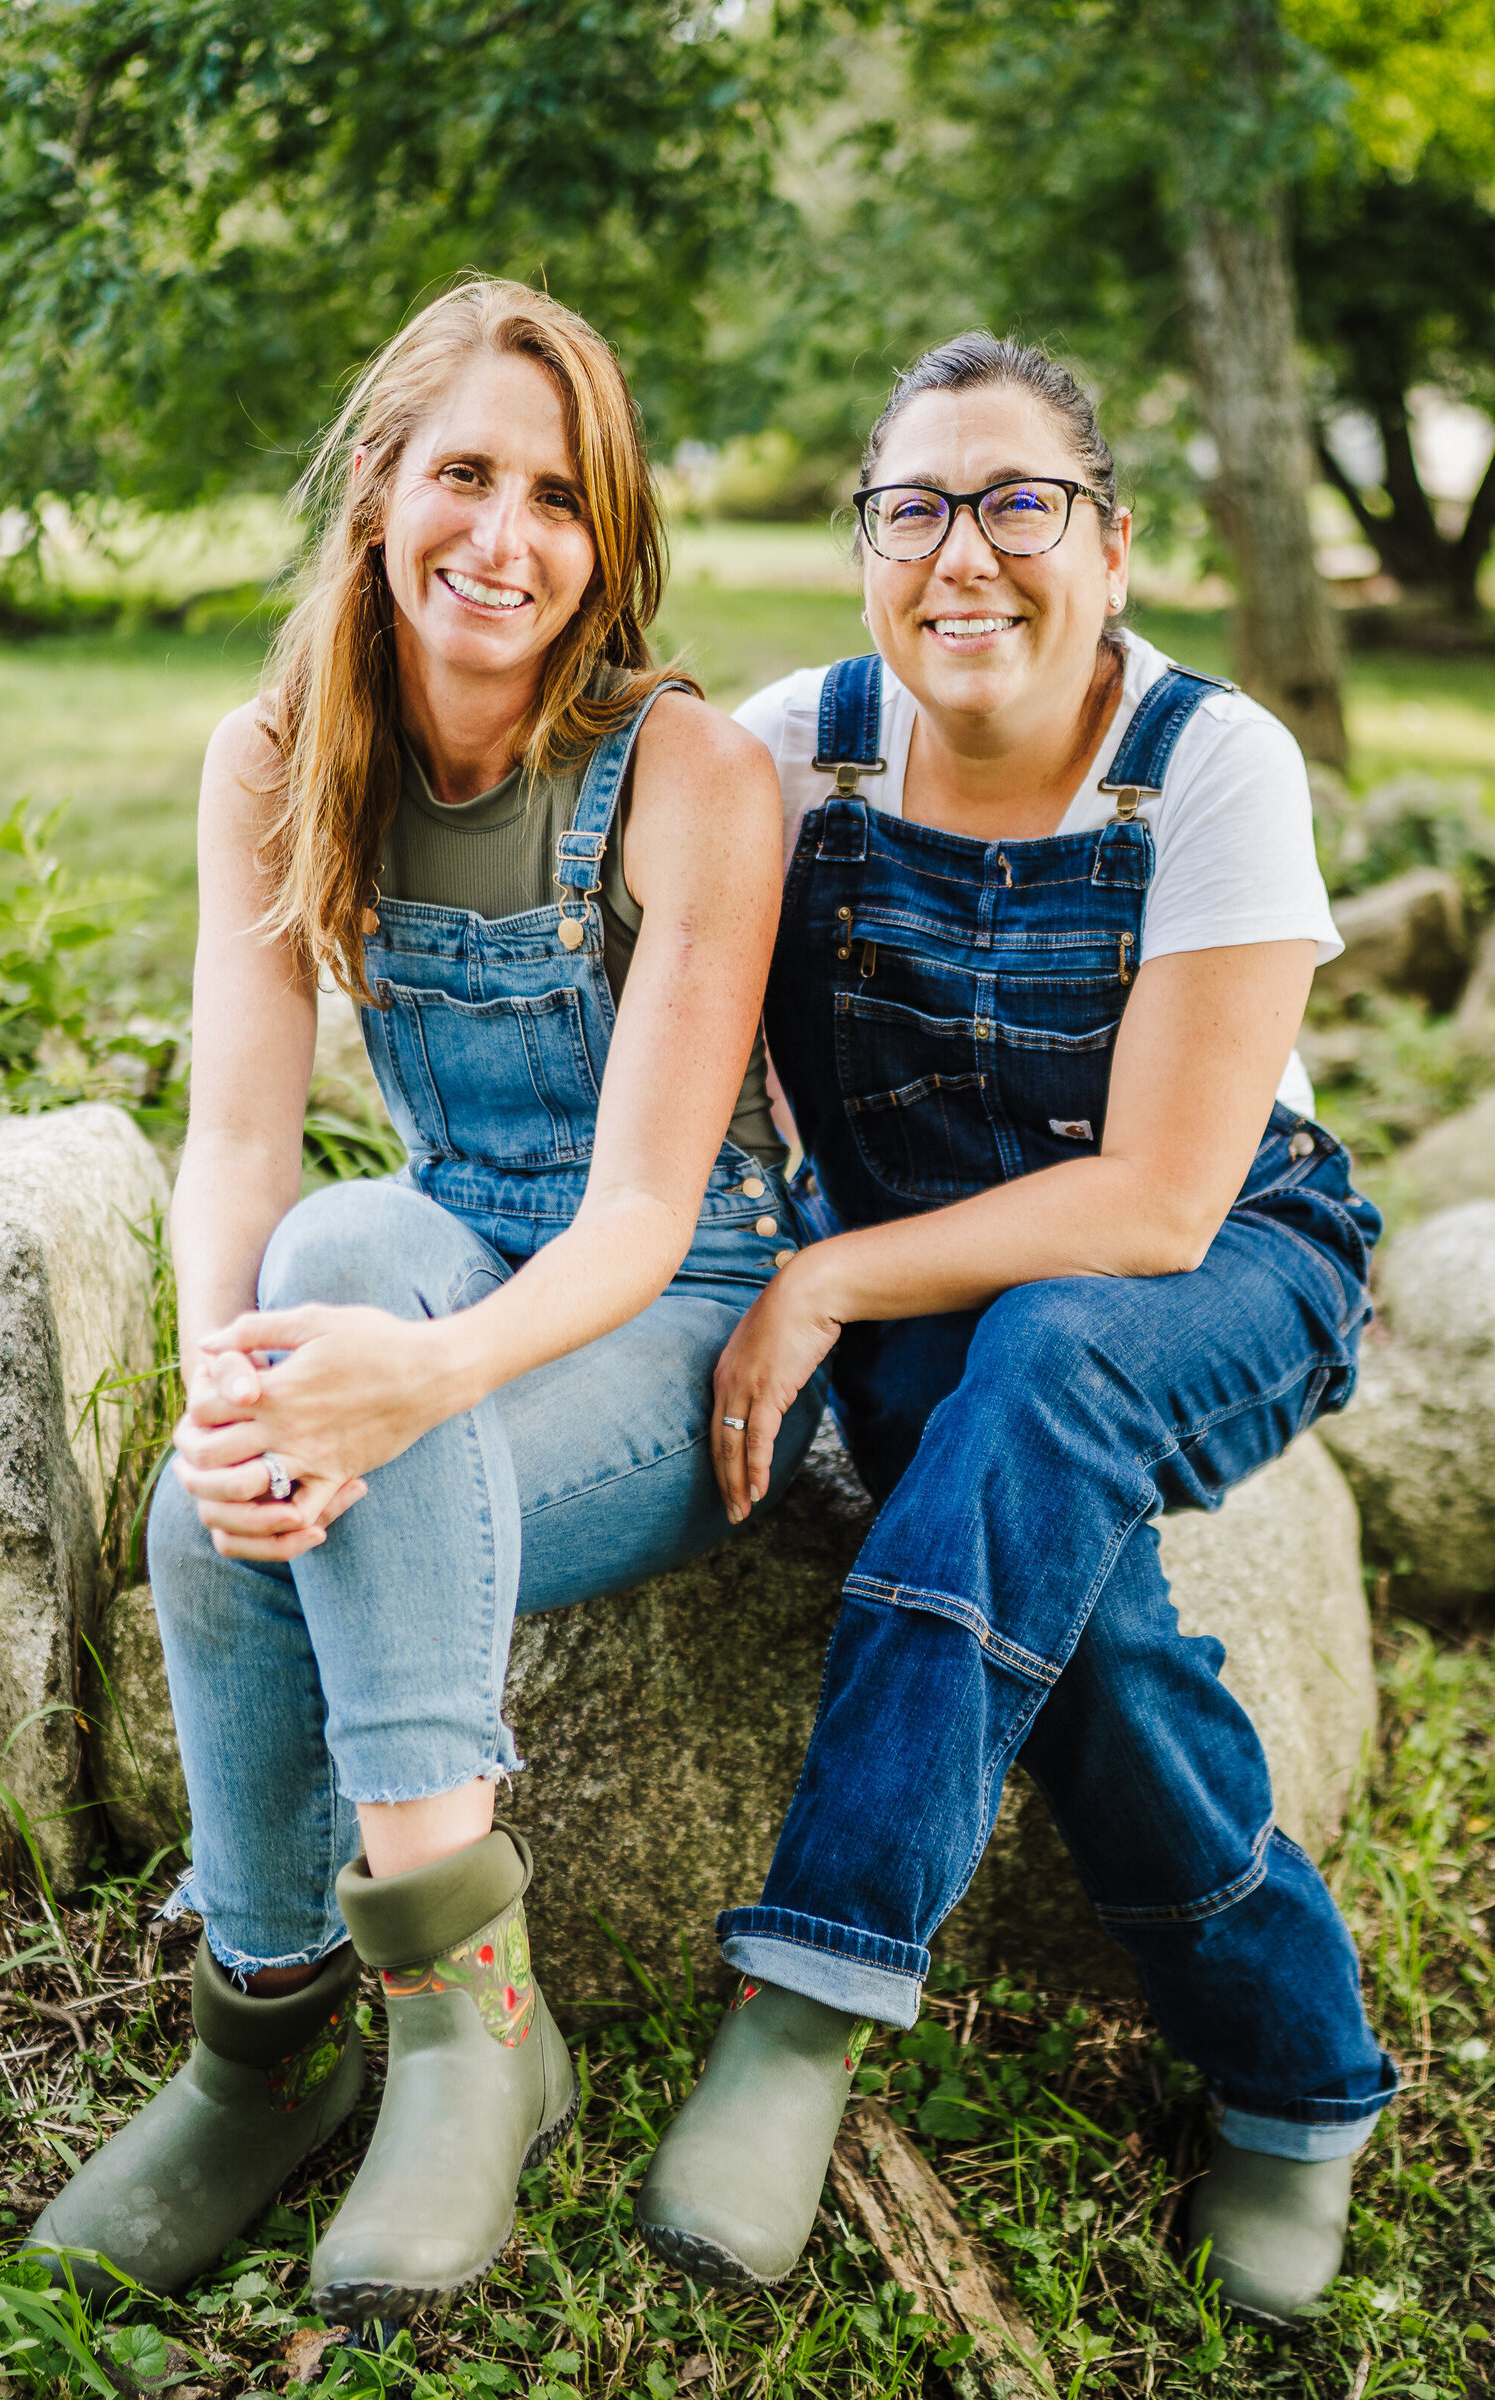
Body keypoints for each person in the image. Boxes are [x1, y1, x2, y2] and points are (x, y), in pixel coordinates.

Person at [29, 279, 821, 2318]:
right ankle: (263, 2047)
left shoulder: (687, 774)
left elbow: (647, 1213)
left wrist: (413, 1390)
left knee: (332, 1419)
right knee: (243, 1447)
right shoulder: (281, 752)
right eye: (463, 473)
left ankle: (467, 2037)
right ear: (380, 486)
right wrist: (237, 1388)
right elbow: (237, 1145)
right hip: (449, 1247)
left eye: (557, 497)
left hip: (664, 1322)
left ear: (606, 539)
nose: (504, 535)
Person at [634, 334, 1396, 2327]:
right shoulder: (798, 752)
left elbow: (1152, 1198)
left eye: (1013, 502)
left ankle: (802, 2002)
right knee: (1088, 1617)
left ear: (1110, 546)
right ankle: (1299, 2083)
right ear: (864, 549)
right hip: (929, 1288)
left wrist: (815, 1280)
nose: (958, 553)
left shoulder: (1210, 761)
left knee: (1049, 1358)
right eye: (910, 507)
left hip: (1221, 1259)